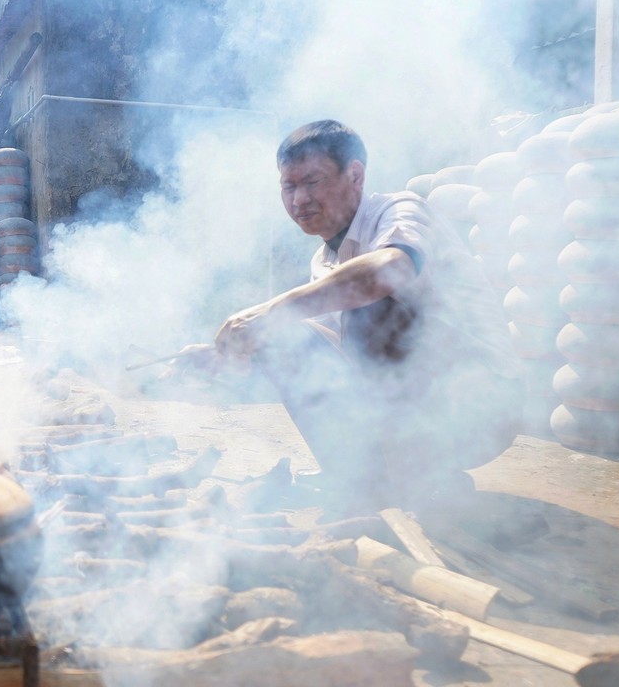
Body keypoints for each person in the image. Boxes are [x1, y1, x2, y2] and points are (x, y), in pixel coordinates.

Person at [191, 120, 522, 514]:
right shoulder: (326, 261)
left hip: (484, 405)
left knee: (369, 298)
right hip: (435, 411)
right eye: (289, 186)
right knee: (285, 335)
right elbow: (323, 356)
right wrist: (237, 349)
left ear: (355, 175)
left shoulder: (399, 210)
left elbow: (387, 271)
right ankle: (363, 480)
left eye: (311, 182)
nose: (299, 200)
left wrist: (271, 311)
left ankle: (413, 476)